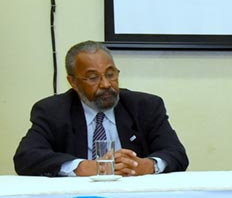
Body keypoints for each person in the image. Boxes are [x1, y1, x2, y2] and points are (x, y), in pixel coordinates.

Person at [13, 41, 188, 177]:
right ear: (72, 82)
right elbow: (26, 157)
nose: (106, 84)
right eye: (92, 77)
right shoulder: (53, 111)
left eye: (111, 75)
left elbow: (176, 154)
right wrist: (83, 167)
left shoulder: (145, 106)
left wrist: (146, 166)